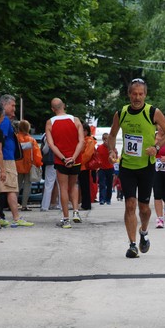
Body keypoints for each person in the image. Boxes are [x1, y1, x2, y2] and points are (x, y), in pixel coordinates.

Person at [108, 78, 165, 258]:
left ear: (145, 94)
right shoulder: (121, 113)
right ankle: (132, 244)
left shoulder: (152, 112)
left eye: (140, 94)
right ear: (129, 94)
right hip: (127, 166)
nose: (137, 97)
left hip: (146, 166)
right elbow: (112, 134)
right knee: (130, 204)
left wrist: (156, 148)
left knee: (144, 208)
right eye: (134, 94)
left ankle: (143, 231)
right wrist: (112, 150)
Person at [0, 94, 34, 227]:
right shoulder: (3, 120)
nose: (14, 109)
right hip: (6, 159)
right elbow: (0, 140)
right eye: (13, 105)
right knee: (11, 188)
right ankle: (16, 218)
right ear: (4, 105)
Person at [45, 97, 85, 229]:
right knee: (73, 185)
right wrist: (73, 157)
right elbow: (81, 141)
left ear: (52, 109)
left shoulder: (50, 122)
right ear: (64, 106)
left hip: (61, 161)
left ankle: (66, 219)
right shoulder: (75, 120)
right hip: (76, 160)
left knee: (63, 187)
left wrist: (63, 158)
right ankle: (76, 211)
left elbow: (51, 144)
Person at [16, 120, 42, 211]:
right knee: (27, 184)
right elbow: (37, 154)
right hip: (29, 165)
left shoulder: (16, 138)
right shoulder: (31, 140)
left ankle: (14, 204)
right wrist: (38, 164)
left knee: (17, 185)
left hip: (17, 165)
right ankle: (24, 205)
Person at [40, 133, 61, 211]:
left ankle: (45, 206)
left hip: (50, 162)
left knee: (48, 184)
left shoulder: (46, 135)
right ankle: (61, 205)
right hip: (61, 161)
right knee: (61, 185)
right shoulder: (61, 134)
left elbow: (45, 150)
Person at [79, 122, 96, 211]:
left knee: (85, 186)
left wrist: (78, 162)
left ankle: (86, 204)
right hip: (81, 166)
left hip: (84, 166)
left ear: (87, 131)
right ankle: (84, 203)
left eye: (83, 130)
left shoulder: (89, 141)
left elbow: (87, 155)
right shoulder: (85, 140)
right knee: (83, 186)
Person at [97, 132, 115, 205]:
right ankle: (102, 199)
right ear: (102, 139)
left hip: (110, 168)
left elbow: (115, 158)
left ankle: (108, 199)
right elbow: (97, 157)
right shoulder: (99, 147)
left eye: (107, 139)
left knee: (109, 184)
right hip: (101, 169)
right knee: (102, 184)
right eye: (104, 139)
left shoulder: (112, 148)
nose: (105, 141)